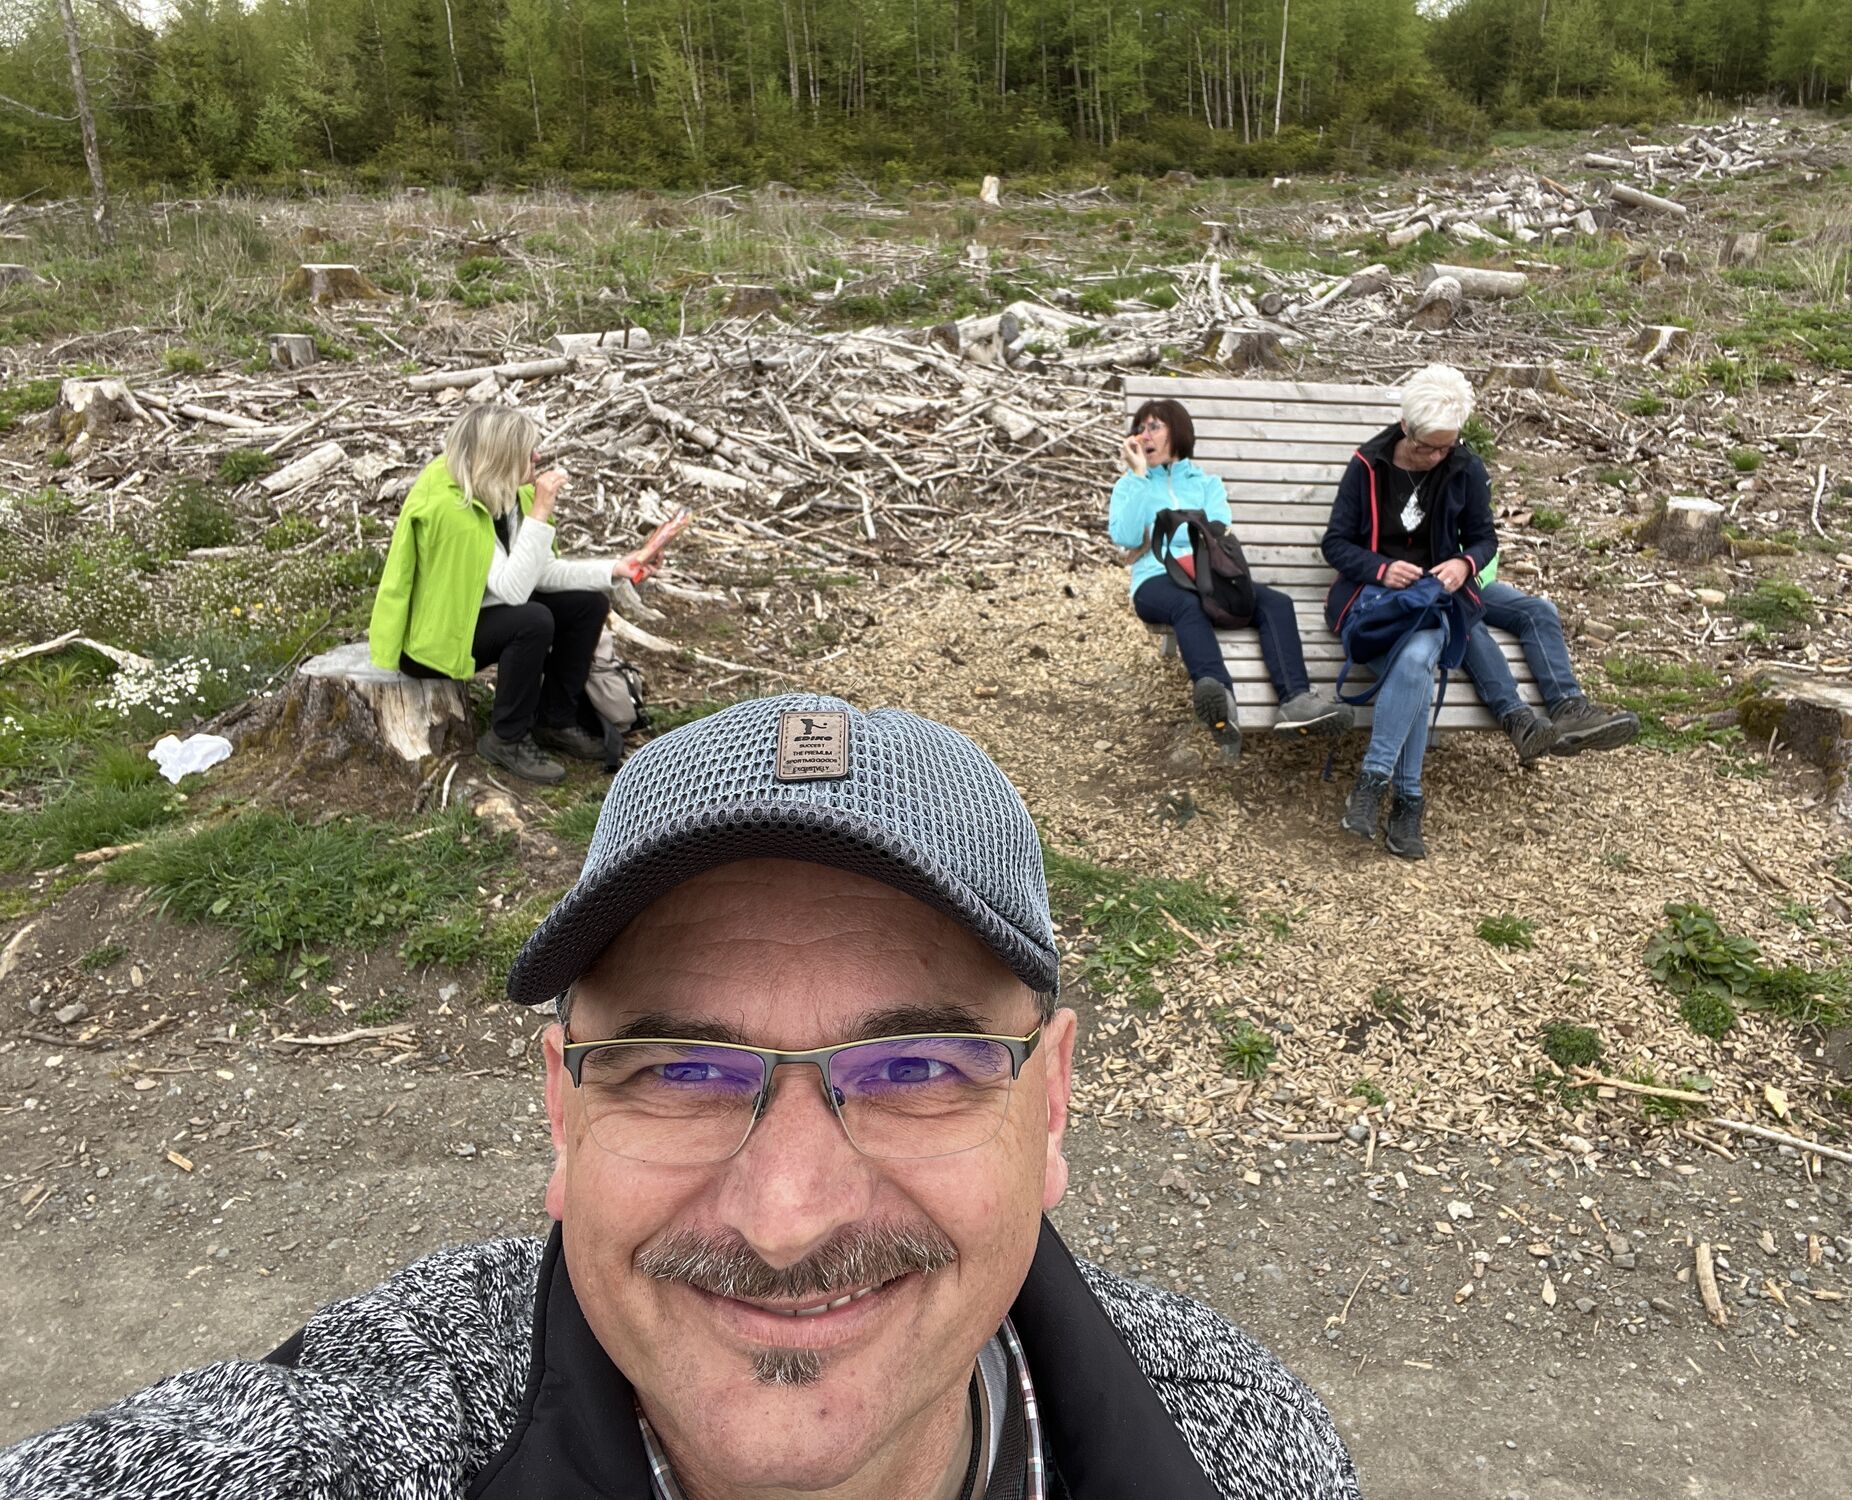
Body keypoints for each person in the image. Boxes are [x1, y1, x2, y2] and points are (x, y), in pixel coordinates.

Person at [0, 694, 1363, 1500]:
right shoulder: (360, 1441)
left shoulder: (1254, 1449)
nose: (785, 1217)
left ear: (1050, 1104)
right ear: (563, 1115)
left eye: (914, 1069)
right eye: (679, 1071)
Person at [367, 403, 657, 787]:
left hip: (477, 615)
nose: (537, 456)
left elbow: (542, 572)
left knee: (587, 604)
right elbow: (515, 591)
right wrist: (540, 513)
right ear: (501, 456)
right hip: (431, 644)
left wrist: (614, 569)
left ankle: (555, 719)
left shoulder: (505, 492)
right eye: (527, 450)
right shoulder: (451, 507)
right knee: (531, 620)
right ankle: (506, 737)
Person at [1320, 365, 1496, 861]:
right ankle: (1407, 798)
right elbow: (1335, 543)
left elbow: (1484, 539)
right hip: (1373, 604)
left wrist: (1464, 564)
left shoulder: (1464, 467)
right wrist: (1380, 568)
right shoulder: (1367, 464)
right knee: (1415, 667)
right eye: (1426, 448)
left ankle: (1372, 784)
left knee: (1417, 658)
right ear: (1405, 427)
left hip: (1434, 603)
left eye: (1446, 447)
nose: (1437, 457)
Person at [1110, 397, 1349, 760]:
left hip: (1208, 574)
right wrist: (1140, 476)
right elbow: (1127, 537)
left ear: (1178, 433)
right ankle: (1220, 701)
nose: (1144, 436)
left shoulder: (1207, 484)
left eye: (1154, 427)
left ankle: (1296, 701)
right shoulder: (1130, 485)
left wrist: (1171, 526)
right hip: (1156, 579)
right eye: (1139, 429)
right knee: (1187, 605)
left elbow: (1217, 530)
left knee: (1276, 603)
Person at [1460, 596, 1639, 765]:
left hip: (1473, 584)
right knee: (1465, 618)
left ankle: (1569, 708)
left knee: (1540, 612)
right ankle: (1517, 721)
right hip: (1447, 594)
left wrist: (1467, 572)